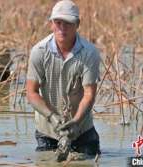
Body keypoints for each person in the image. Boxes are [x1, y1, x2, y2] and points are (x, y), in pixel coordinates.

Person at [26, 0, 101, 162]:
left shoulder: (89, 53)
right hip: (47, 132)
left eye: (68, 23)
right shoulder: (39, 52)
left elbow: (89, 94)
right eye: (58, 22)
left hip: (82, 130)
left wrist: (75, 122)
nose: (62, 28)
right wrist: (52, 117)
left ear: (77, 24)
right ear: (51, 24)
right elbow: (31, 92)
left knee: (88, 161)